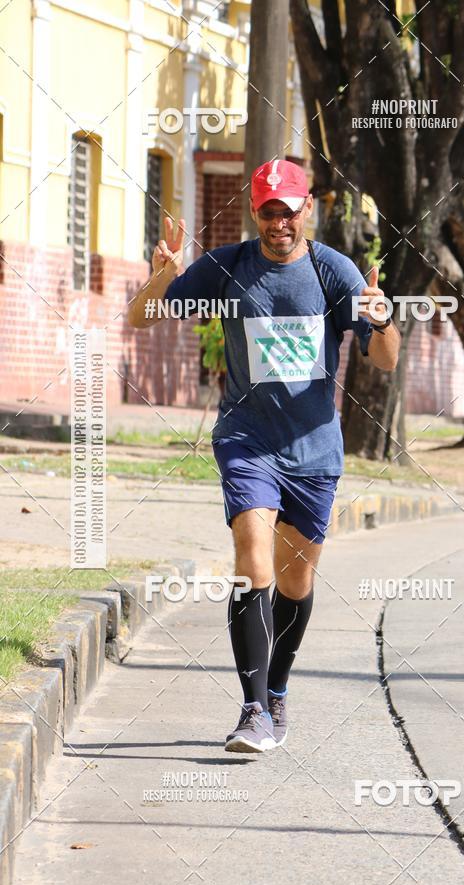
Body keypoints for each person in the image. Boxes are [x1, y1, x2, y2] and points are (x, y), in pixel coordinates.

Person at [128, 158, 400, 753]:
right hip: (246, 441)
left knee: (294, 581)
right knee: (252, 563)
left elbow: (385, 360)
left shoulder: (335, 272)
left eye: (290, 209)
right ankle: (252, 712)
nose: (279, 221)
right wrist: (161, 278)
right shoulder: (228, 267)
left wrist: (381, 323)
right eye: (268, 210)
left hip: (314, 450)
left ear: (308, 209)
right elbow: (140, 318)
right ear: (255, 211)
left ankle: (277, 691)